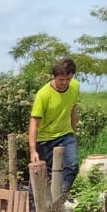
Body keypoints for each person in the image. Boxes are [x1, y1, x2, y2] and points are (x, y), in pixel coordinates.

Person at [28, 57, 81, 198]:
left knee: (73, 166)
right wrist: (33, 150)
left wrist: (73, 134)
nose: (64, 83)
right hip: (45, 139)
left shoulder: (75, 87)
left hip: (65, 134)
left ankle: (58, 200)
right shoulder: (43, 95)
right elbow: (34, 123)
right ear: (55, 77)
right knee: (39, 173)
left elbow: (72, 110)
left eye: (68, 79)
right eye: (61, 80)